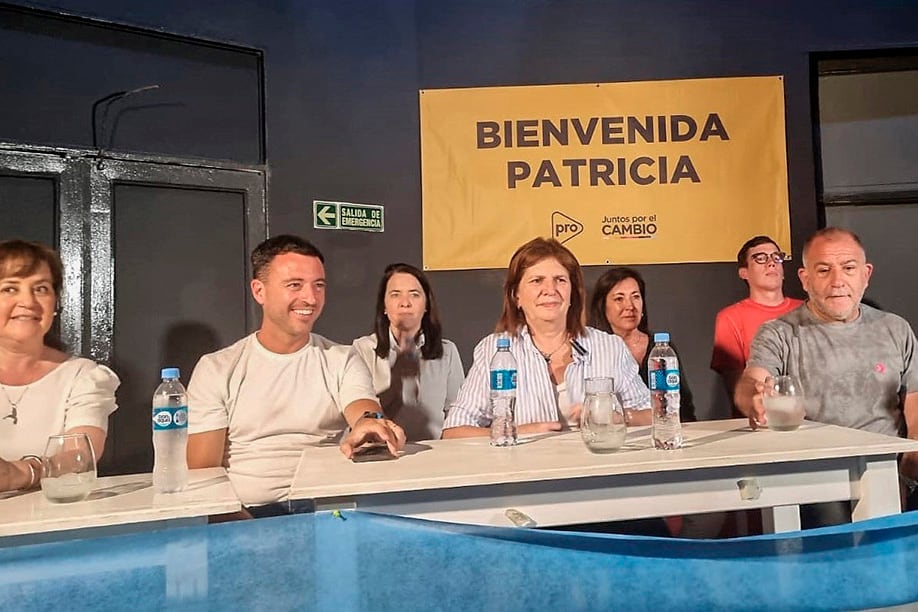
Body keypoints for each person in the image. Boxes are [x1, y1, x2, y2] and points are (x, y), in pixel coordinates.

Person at [186, 235, 406, 517]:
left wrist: (370, 424)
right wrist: (244, 529)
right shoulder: (217, 368)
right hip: (247, 517)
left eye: (319, 286)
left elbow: (364, 410)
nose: (310, 298)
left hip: (330, 513)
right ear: (259, 291)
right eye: (294, 285)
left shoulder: (342, 357)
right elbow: (203, 474)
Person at [735, 227, 918, 525]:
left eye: (848, 268)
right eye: (824, 270)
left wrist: (911, 462)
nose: (838, 282)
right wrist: (754, 397)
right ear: (805, 279)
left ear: (865, 274)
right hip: (812, 476)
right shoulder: (778, 333)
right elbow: (752, 380)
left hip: (886, 471)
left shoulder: (895, 329)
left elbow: (914, 401)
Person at [442, 237, 650, 438]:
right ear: (517, 296)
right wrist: (517, 432)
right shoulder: (493, 350)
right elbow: (454, 431)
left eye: (560, 280)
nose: (550, 290)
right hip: (524, 470)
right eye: (536, 281)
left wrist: (620, 417)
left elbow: (655, 415)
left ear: (572, 293)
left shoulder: (609, 347)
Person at [0, 240, 119, 493]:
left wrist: (21, 473)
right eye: (10, 289)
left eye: (41, 288)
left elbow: (81, 458)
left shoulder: (83, 376)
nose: (28, 301)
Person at [352, 263, 464, 441]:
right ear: (384, 306)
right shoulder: (362, 349)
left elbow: (458, 415)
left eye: (414, 294)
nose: (405, 303)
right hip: (382, 451)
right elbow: (361, 415)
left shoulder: (447, 351)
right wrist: (396, 382)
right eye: (395, 295)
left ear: (426, 304)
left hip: (435, 454)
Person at [589, 266, 696, 423]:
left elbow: (682, 406)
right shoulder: (593, 350)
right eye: (619, 299)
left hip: (664, 430)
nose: (630, 306)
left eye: (636, 297)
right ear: (602, 306)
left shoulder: (661, 349)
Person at [711, 236, 803, 412]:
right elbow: (735, 382)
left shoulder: (806, 309)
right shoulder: (730, 317)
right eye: (760, 258)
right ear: (744, 272)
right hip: (761, 416)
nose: (771, 263)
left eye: (777, 257)